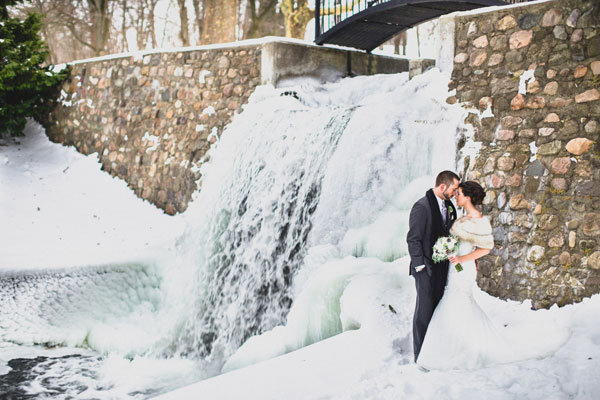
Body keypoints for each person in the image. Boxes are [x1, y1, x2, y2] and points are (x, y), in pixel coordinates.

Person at [416, 181, 513, 370]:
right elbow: (453, 241)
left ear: (467, 197)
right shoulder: (462, 217)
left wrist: (462, 258)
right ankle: (456, 347)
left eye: (458, 193)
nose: (456, 197)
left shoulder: (478, 220)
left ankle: (459, 352)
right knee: (455, 302)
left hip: (463, 268)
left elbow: (486, 248)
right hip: (455, 267)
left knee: (457, 301)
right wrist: (444, 250)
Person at [406, 170, 460, 363]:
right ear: (443, 186)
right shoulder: (421, 207)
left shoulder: (449, 207)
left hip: (442, 268)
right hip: (425, 269)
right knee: (424, 312)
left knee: (437, 311)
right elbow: (413, 239)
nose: (455, 193)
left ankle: (434, 353)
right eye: (453, 189)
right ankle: (419, 356)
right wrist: (420, 267)